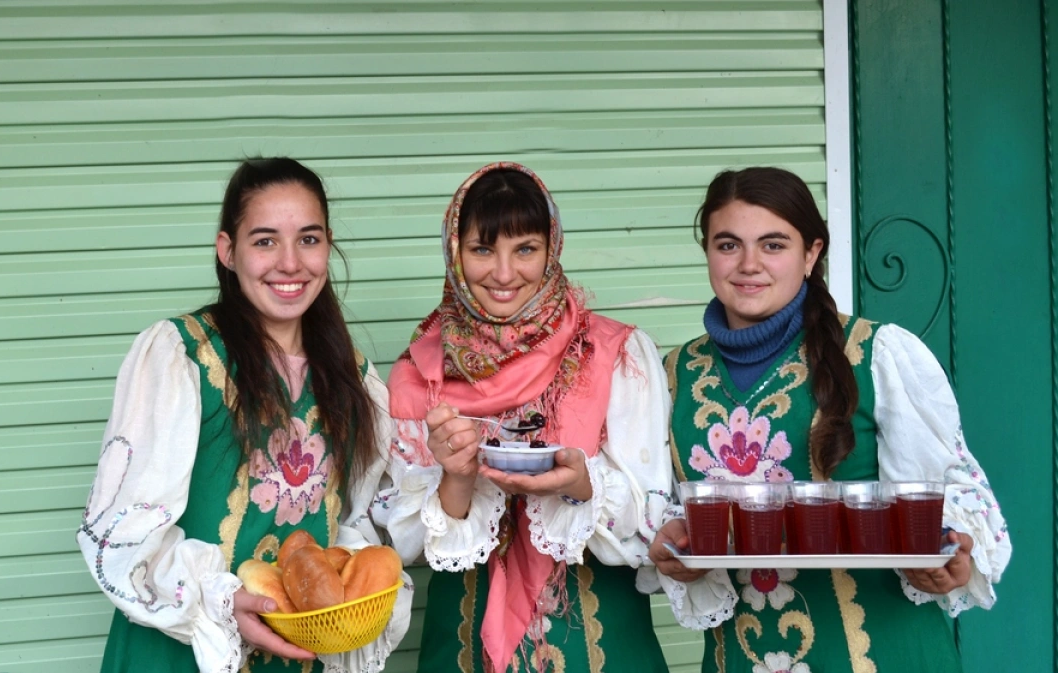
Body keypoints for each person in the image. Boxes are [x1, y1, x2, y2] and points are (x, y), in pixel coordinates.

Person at [648, 166, 1011, 672]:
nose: (749, 264)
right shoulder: (672, 375)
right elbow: (661, 509)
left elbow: (953, 494)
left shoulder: (878, 353)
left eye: (773, 245)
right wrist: (669, 544)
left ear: (812, 253)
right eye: (728, 245)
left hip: (884, 655)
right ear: (707, 250)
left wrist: (949, 554)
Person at [77, 157, 412, 673]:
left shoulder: (355, 379)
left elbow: (357, 528)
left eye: (308, 238)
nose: (290, 263)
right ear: (227, 252)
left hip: (302, 656)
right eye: (264, 241)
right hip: (184, 652)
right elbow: (124, 535)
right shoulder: (182, 357)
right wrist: (220, 600)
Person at [374, 162, 672, 673]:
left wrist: (581, 485)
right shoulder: (420, 373)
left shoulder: (614, 354)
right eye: (483, 249)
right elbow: (404, 545)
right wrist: (456, 478)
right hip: (462, 647)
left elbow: (651, 516)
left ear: (551, 249)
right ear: (454, 252)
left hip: (601, 648)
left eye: (525, 249)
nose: (505, 274)